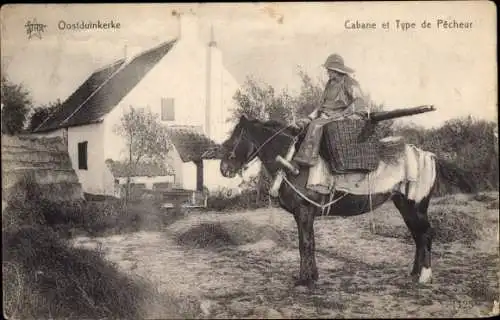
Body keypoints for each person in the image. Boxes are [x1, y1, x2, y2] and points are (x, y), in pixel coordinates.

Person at [293, 53, 370, 192]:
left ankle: (309, 160)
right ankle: (305, 162)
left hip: (348, 116)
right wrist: (308, 118)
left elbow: (359, 102)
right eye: (328, 70)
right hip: (327, 116)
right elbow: (321, 106)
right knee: (310, 125)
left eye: (330, 70)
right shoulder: (329, 85)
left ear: (337, 70)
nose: (327, 72)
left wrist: (341, 114)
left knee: (317, 125)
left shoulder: (350, 83)